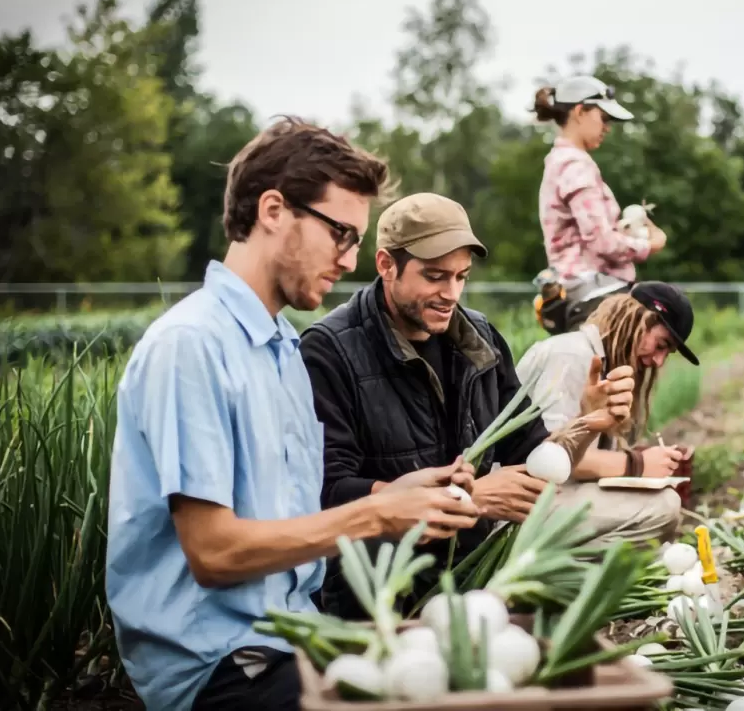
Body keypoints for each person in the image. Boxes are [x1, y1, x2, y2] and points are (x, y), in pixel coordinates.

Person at [106, 119, 483, 711]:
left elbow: (290, 518)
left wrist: (402, 492)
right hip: (221, 664)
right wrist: (375, 513)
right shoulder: (191, 344)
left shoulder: (282, 347)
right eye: (340, 233)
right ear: (274, 210)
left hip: (294, 634)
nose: (352, 259)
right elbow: (215, 552)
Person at [299, 191, 635, 620]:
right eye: (435, 276)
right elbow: (329, 493)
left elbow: (534, 457)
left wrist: (588, 422)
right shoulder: (329, 352)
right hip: (376, 593)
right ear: (386, 265)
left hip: (470, 572)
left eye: (461, 276)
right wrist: (467, 499)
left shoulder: (478, 339)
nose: (451, 293)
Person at [514, 282, 700, 543]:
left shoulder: (606, 362)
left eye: (666, 353)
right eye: (661, 344)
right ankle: (551, 572)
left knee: (660, 504)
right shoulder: (570, 355)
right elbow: (548, 458)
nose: (659, 361)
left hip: (555, 497)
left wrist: (641, 457)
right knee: (664, 506)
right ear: (638, 320)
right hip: (524, 504)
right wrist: (637, 465)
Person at [531, 75, 668, 334]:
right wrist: (649, 244)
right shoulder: (576, 164)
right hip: (596, 296)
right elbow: (601, 241)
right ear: (580, 111)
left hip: (578, 294)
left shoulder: (559, 160)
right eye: (604, 118)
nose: (607, 127)